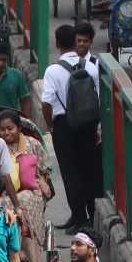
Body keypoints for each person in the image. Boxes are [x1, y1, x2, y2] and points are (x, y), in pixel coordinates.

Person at [42, 22, 105, 232]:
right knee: (89, 170)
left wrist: (50, 125)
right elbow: (99, 98)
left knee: (70, 172)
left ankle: (79, 218)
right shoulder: (91, 67)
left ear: (57, 43)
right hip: (88, 124)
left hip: (63, 125)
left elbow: (46, 103)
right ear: (74, 42)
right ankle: (92, 215)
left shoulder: (53, 70)